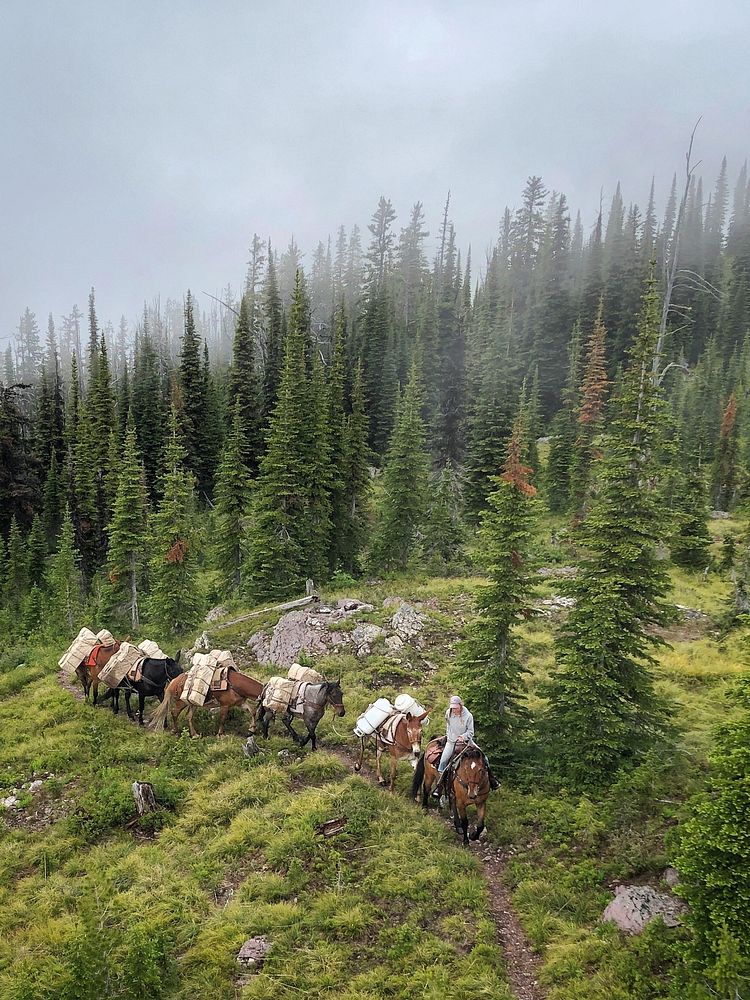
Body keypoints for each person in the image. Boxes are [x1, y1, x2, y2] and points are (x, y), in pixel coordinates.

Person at [432, 695, 500, 797]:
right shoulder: (448, 713)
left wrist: (463, 737)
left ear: (460, 705)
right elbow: (449, 726)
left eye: (456, 707)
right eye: (452, 707)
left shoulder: (468, 716)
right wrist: (451, 737)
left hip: (467, 742)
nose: (454, 709)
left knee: (484, 758)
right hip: (451, 742)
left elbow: (471, 732)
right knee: (443, 761)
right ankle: (439, 786)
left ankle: (492, 780)